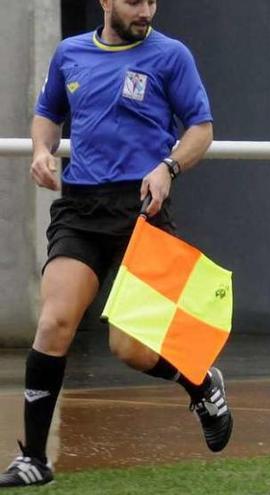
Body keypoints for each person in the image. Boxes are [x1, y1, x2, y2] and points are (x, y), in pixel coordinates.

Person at [0, 0, 231, 488]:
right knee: (53, 324)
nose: (145, 9)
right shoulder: (70, 53)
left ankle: (200, 382)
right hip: (80, 210)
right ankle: (35, 459)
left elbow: (202, 130)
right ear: (106, 1)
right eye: (133, 1)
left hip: (140, 211)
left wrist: (169, 167)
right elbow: (47, 114)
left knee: (130, 349)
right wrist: (42, 151)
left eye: (151, 0)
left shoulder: (172, 56)